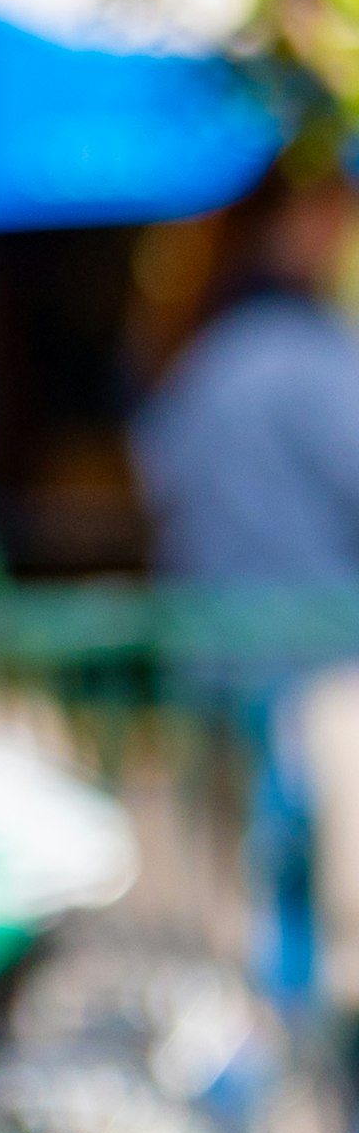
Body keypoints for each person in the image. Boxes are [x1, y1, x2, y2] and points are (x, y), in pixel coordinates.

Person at [135, 159, 359, 987]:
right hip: (323, 680)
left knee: (256, 944)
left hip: (227, 682)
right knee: (326, 954)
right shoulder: (310, 361)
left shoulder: (190, 359)